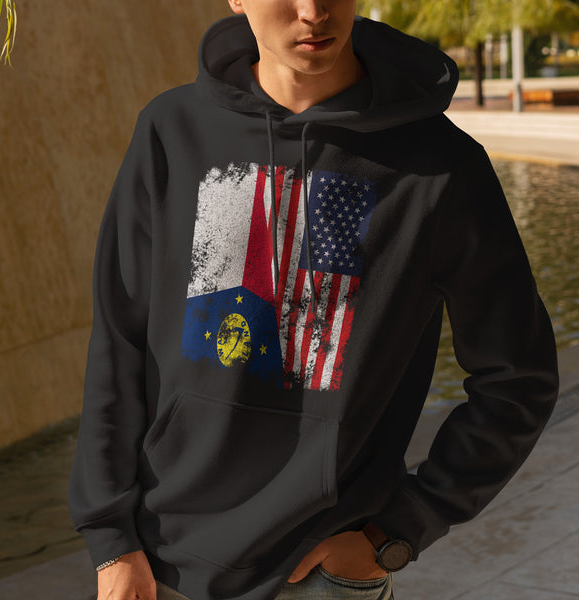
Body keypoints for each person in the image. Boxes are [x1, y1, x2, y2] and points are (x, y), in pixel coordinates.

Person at [67, 1, 560, 599]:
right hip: (158, 567)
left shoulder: (439, 167)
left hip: (322, 577)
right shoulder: (172, 132)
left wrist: (398, 530)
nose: (313, 10)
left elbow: (519, 380)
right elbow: (118, 342)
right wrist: (110, 539)